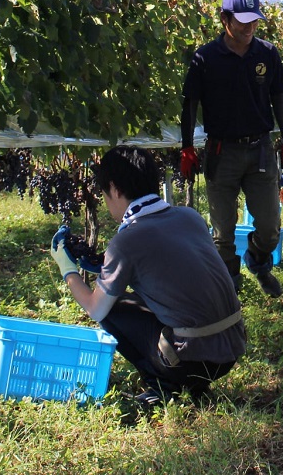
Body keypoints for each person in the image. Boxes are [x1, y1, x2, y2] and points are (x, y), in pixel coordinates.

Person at [50, 146, 245, 408]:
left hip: (193, 361)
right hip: (232, 347)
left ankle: (164, 387)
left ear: (115, 189)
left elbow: (96, 309)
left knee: (112, 309)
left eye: (105, 195)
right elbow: (164, 269)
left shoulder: (127, 241)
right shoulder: (189, 216)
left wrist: (67, 269)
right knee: (131, 299)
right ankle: (189, 382)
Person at [179, 0, 283, 298]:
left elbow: (279, 98)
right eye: (242, 21)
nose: (249, 27)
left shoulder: (267, 53)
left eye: (254, 21)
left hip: (260, 151)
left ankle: (258, 260)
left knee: (270, 228)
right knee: (223, 234)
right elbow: (190, 103)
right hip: (222, 152)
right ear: (224, 19)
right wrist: (187, 146)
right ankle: (231, 286)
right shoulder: (205, 58)